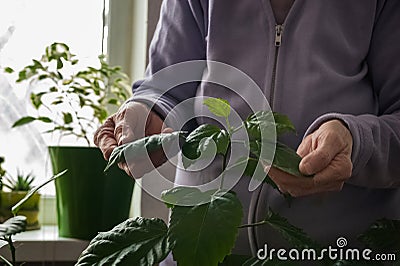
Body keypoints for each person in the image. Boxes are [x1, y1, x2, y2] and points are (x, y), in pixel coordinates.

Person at [94, 0, 400, 262]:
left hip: (339, 254)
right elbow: (166, 84)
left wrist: (354, 141)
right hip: (199, 251)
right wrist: (147, 112)